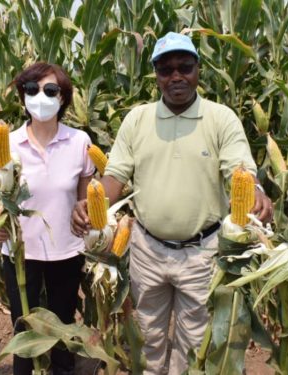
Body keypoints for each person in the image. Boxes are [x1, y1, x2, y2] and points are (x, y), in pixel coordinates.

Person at [71, 32, 273, 374]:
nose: (176, 76)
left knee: (195, 342)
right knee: (147, 335)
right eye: (166, 70)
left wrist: (253, 189)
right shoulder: (138, 120)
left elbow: (239, 168)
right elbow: (115, 178)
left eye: (185, 67)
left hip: (202, 252)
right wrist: (91, 204)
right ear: (155, 75)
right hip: (148, 250)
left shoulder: (220, 118)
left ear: (198, 70)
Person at [0, 62, 95, 375]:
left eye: (50, 90)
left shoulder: (80, 142)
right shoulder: (7, 144)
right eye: (32, 89)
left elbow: (85, 199)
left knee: (63, 324)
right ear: (22, 97)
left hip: (67, 250)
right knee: (24, 328)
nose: (41, 96)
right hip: (21, 253)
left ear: (62, 98)